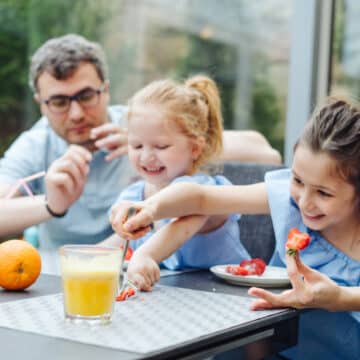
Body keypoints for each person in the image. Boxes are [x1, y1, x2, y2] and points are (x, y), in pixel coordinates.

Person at [0, 34, 279, 273]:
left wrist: (166, 142)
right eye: (59, 102)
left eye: (86, 97)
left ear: (105, 90)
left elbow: (267, 154)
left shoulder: (144, 119)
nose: (76, 114)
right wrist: (51, 205)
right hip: (123, 279)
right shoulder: (36, 144)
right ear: (41, 104)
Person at [111, 97, 360, 359]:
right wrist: (151, 207)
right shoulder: (290, 201)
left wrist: (339, 297)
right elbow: (202, 197)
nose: (305, 201)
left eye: (323, 193)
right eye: (297, 179)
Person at [109, 75, 250, 290]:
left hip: (233, 299)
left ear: (195, 148)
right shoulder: (135, 195)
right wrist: (86, 257)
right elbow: (118, 242)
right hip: (176, 301)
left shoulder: (205, 193)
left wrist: (146, 255)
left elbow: (181, 226)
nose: (146, 157)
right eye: (137, 146)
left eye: (161, 146)